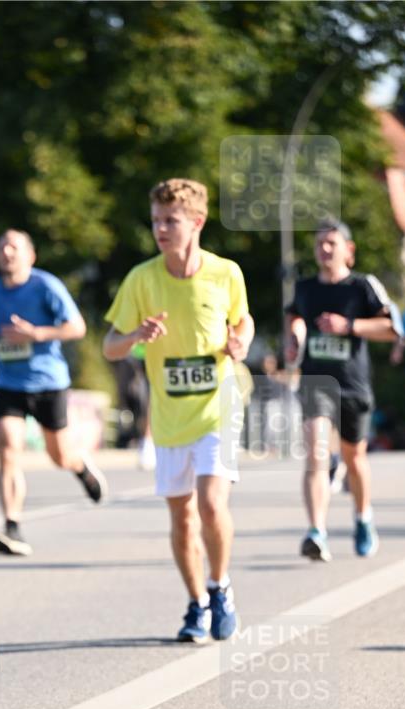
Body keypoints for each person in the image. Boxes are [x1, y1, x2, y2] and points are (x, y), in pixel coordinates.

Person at [103, 178, 254, 643]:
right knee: (182, 516)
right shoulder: (142, 279)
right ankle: (196, 603)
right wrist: (134, 338)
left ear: (197, 223)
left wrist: (240, 341)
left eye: (171, 221)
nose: (161, 229)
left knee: (210, 505)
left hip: (218, 407)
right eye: (156, 221)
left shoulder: (225, 273)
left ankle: (220, 586)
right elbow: (109, 346)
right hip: (170, 417)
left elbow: (242, 320)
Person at [0, 229, 106, 557]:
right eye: (1, 246)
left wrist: (35, 334)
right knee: (8, 448)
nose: (7, 252)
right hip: (8, 383)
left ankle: (80, 467)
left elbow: (77, 327)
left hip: (48, 383)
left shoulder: (46, 285)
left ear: (30, 256)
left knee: (59, 455)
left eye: (14, 247)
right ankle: (12, 526)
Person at [285, 220, 401, 561]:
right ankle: (316, 531)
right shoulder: (305, 288)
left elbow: (390, 328)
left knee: (354, 457)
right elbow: (294, 317)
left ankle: (363, 517)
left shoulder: (362, 286)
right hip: (315, 382)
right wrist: (294, 340)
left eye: (331, 243)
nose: (324, 249)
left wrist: (348, 326)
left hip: (353, 384)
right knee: (316, 454)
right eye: (319, 243)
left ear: (348, 250)